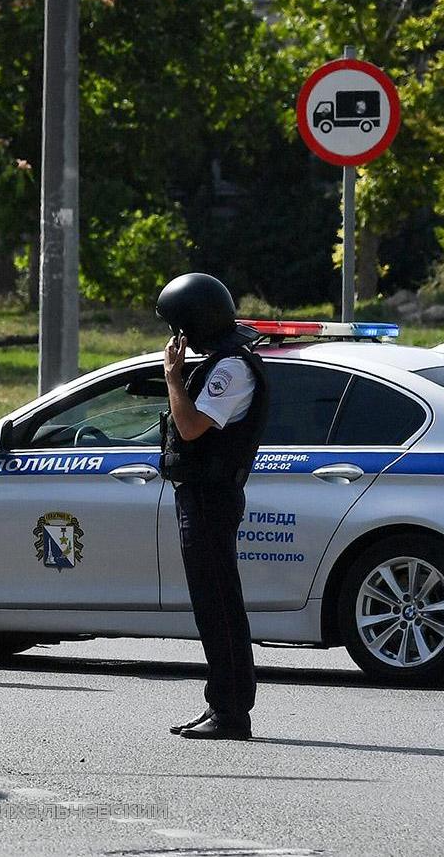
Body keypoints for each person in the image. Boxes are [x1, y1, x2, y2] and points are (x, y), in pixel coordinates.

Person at [156, 272, 270, 741]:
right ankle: (221, 705)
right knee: (213, 604)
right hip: (201, 494)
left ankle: (230, 712)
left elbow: (190, 428)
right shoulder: (220, 363)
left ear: (194, 324)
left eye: (177, 326)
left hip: (210, 496)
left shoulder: (231, 368)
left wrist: (171, 377)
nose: (174, 338)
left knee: (219, 605)